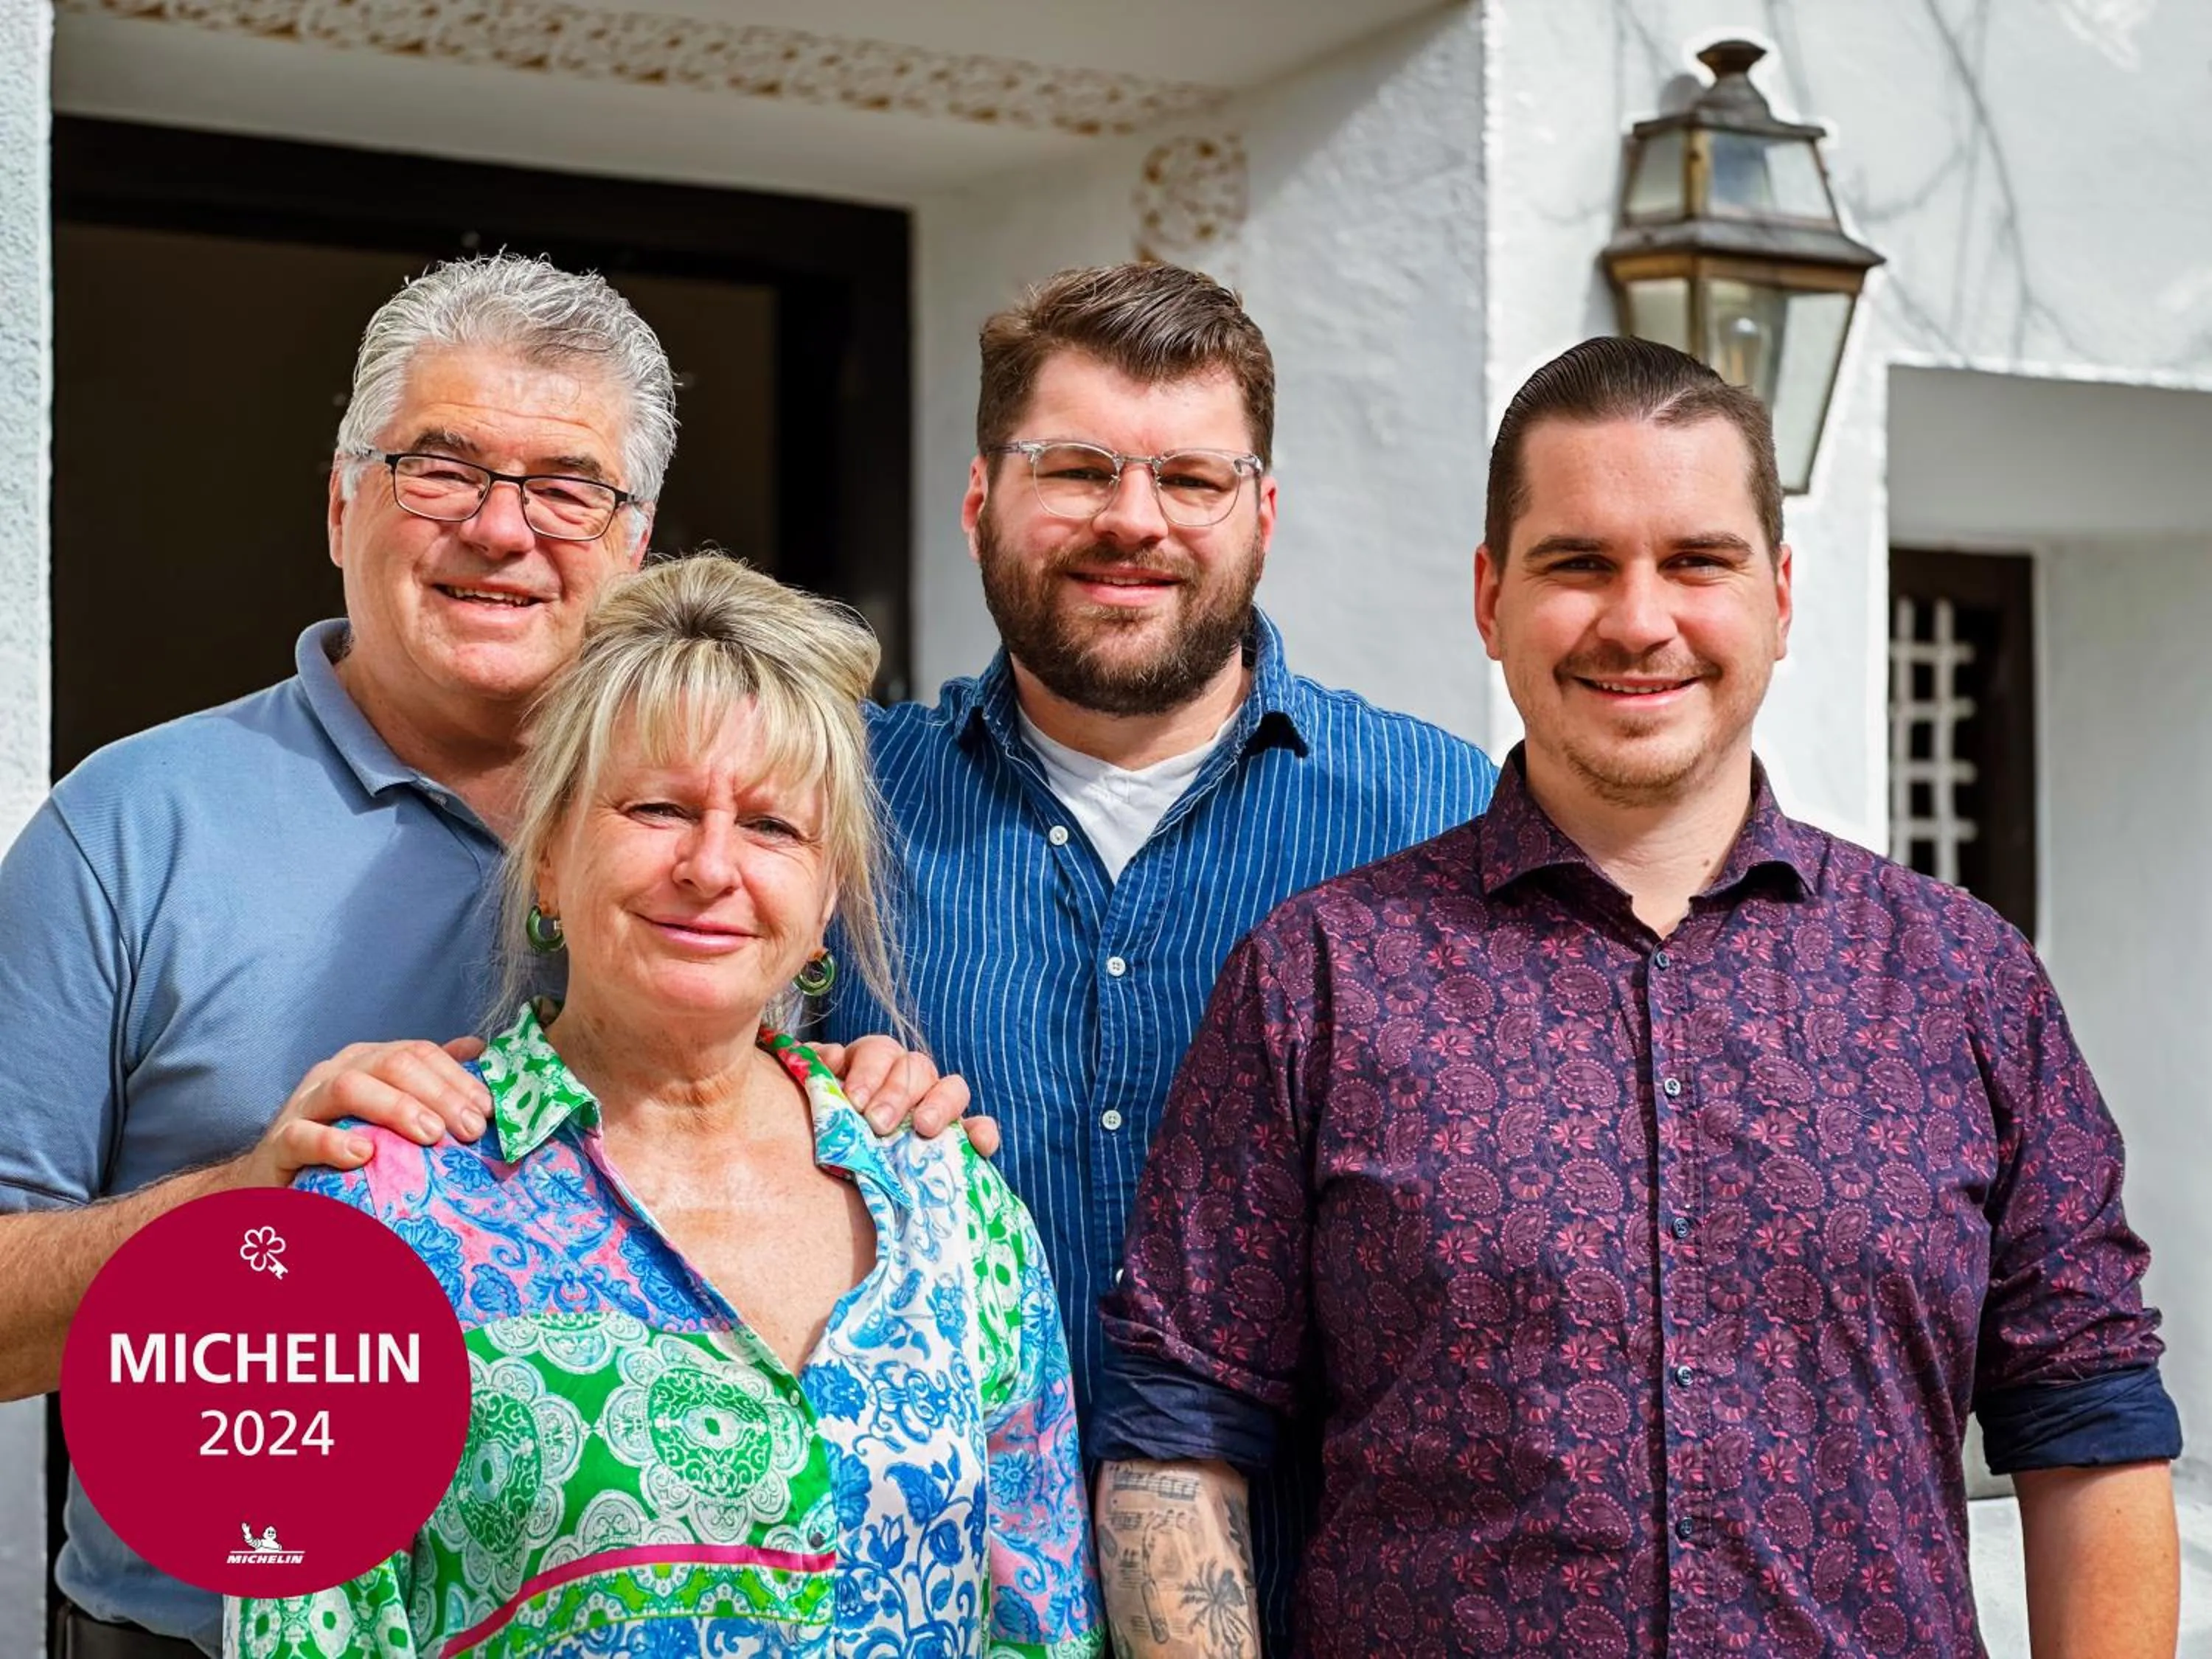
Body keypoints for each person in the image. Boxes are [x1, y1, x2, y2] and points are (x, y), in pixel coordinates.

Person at [1092, 336, 2183, 1657]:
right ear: (1490, 597)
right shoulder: (1321, 976)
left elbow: (2091, 1419)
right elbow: (1177, 1431)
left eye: (1697, 561)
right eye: (1579, 562)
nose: (1640, 618)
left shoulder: (1963, 982)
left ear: (1781, 595)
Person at [0, 254, 960, 1659]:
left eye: (568, 487)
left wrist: (877, 1105)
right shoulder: (129, 827)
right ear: (342, 501)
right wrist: (250, 1212)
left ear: (633, 542)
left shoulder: (734, 833)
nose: (502, 531)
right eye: (438, 468)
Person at [227, 555, 1101, 1659]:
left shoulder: (946, 1197)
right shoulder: (381, 1212)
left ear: (826, 893)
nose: (712, 865)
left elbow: (1045, 1624)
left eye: (775, 827)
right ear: (549, 857)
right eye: (658, 807)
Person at [816, 262, 1500, 1653]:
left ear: (1262, 512)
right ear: (977, 501)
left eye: (1191, 478)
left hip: (1333, 1610)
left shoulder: (1439, 815)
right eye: (1074, 468)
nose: (1134, 521)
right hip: (919, 1612)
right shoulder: (825, 809)